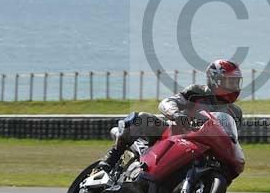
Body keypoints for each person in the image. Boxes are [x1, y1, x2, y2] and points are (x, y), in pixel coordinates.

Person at [98, 59, 243, 171]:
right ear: (215, 80)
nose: (234, 87)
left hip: (203, 147)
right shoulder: (196, 92)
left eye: (236, 82)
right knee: (140, 119)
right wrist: (176, 115)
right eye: (230, 81)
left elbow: (232, 140)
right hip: (175, 133)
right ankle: (110, 160)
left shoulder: (235, 113)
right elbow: (168, 102)